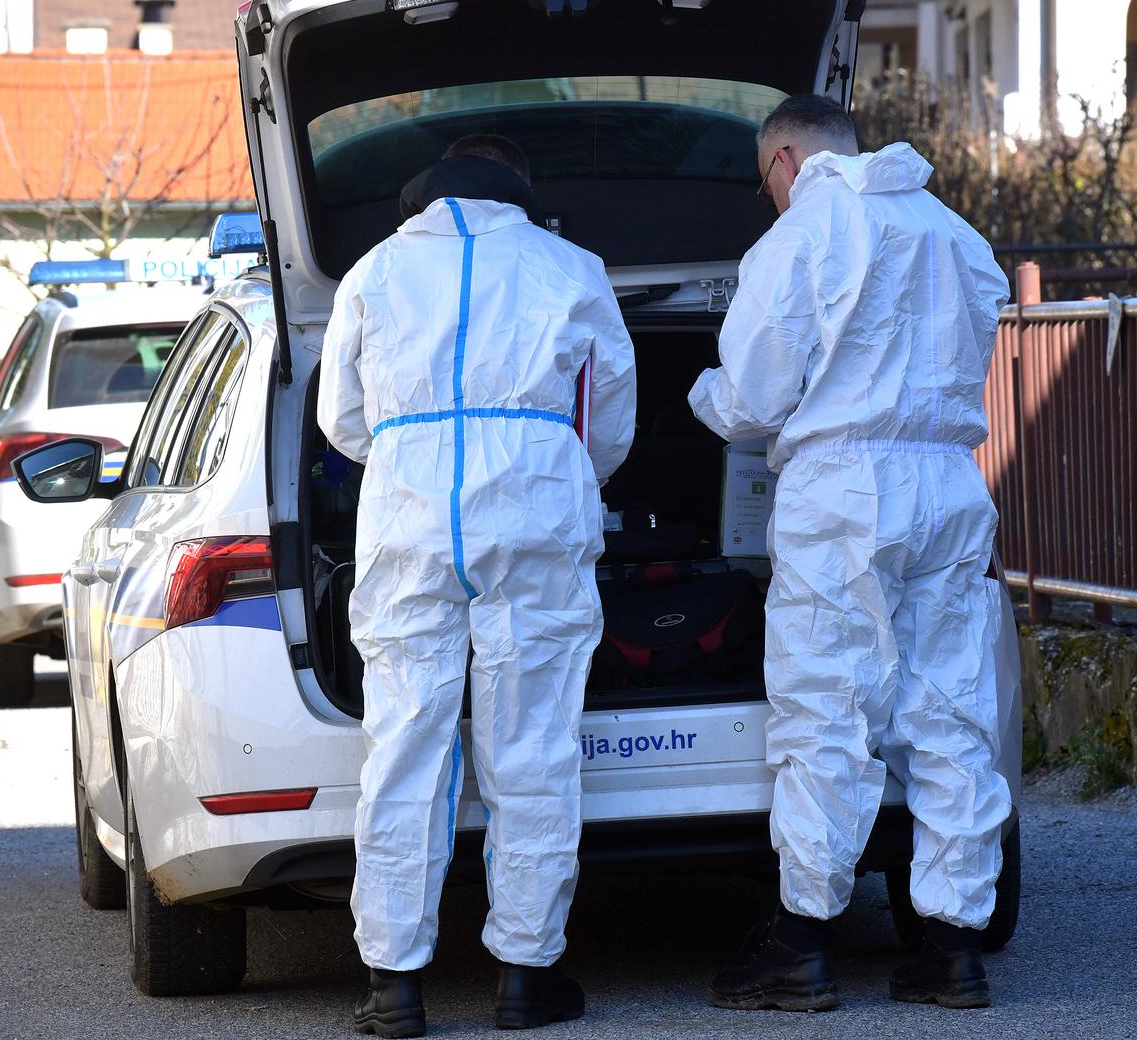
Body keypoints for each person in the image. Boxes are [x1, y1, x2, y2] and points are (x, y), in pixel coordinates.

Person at [688, 95, 1013, 1011]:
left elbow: (753, 396)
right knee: (950, 713)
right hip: (950, 479)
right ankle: (951, 948)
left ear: (784, 161)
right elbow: (976, 333)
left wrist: (700, 401)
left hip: (842, 490)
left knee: (827, 708)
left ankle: (799, 943)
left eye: (765, 187)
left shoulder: (801, 236)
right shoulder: (952, 230)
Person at [318, 134, 637, 1037]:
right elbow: (610, 415)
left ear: (427, 192)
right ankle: (527, 979)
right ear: (520, 188)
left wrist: (412, 446)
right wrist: (560, 464)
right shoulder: (571, 265)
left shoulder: (372, 271)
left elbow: (340, 420)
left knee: (406, 741)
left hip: (409, 507)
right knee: (530, 742)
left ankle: (393, 989)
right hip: (535, 498)